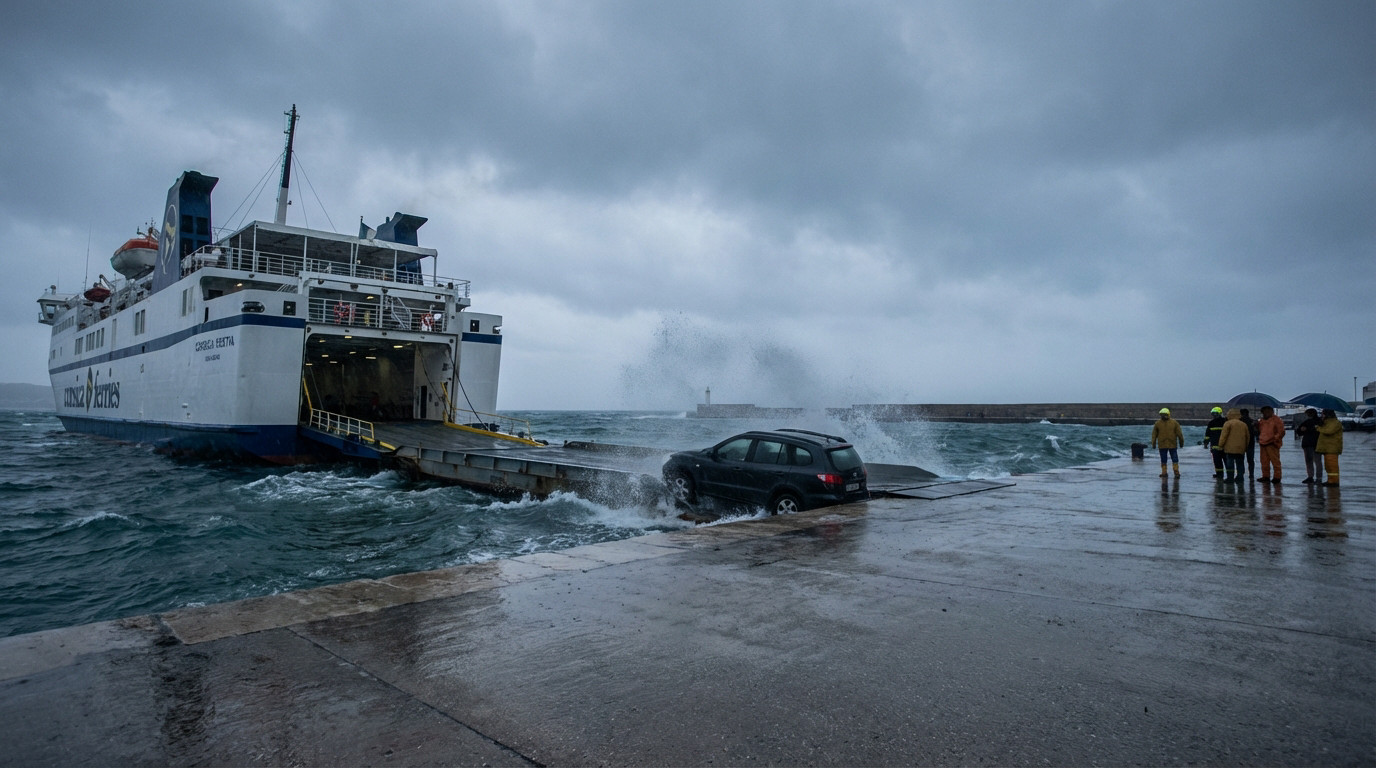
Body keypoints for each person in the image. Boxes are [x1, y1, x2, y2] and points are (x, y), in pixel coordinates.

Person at [1217, 408, 1250, 483]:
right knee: (1240, 463)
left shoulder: (1227, 424)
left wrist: (1220, 445)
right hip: (1241, 448)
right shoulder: (1243, 424)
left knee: (1230, 464)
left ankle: (1230, 478)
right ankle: (1240, 477)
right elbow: (1247, 437)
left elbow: (1223, 436)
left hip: (1230, 448)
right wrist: (1245, 446)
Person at [1150, 407, 1185, 477]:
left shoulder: (1174, 423)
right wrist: (1153, 443)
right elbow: (1154, 434)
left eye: (1164, 414)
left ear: (1168, 414)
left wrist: (1181, 442)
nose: (1163, 416)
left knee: (1173, 458)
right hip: (1165, 444)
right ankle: (1165, 472)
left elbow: (1180, 434)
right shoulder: (1158, 423)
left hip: (1170, 444)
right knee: (1165, 459)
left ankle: (1175, 472)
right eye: (1162, 415)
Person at [1255, 405, 1285, 483]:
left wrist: (1275, 439)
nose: (1266, 413)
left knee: (1275, 461)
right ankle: (1265, 476)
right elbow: (1259, 431)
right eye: (1264, 412)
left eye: (1267, 411)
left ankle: (1277, 477)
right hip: (1263, 443)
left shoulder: (1277, 420)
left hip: (1272, 443)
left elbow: (1281, 432)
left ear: (1271, 411)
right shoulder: (1261, 421)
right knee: (1264, 462)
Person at [1315, 408, 1344, 487]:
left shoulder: (1335, 422)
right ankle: (1330, 480)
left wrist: (1318, 428)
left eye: (1323, 414)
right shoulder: (1326, 422)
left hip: (1332, 448)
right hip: (1327, 448)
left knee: (1332, 466)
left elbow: (1329, 431)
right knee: (1328, 466)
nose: (1322, 415)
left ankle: (1334, 481)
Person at [1294, 408, 1323, 483]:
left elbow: (1299, 431)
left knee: (1310, 461)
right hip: (1316, 443)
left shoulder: (1309, 422)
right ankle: (1317, 478)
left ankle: (1312, 477)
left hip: (1309, 443)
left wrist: (1303, 430)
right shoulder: (1320, 421)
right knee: (1317, 461)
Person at [1205, 406, 1226, 479]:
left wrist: (1206, 443)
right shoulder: (1225, 421)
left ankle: (1219, 474)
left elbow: (1207, 435)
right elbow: (1207, 434)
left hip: (1216, 446)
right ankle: (1229, 475)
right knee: (1225, 461)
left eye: (1215, 414)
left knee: (1217, 462)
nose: (1214, 415)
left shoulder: (1211, 423)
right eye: (1213, 414)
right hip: (1224, 446)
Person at [1239, 408, 1258, 481]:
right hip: (1250, 443)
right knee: (1250, 460)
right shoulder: (1252, 421)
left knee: (1240, 459)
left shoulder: (1239, 421)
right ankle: (1251, 474)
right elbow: (1256, 432)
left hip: (1241, 443)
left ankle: (1241, 473)